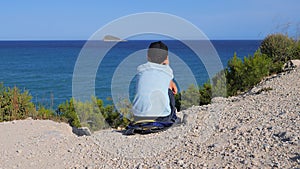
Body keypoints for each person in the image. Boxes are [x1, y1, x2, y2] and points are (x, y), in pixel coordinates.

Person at [132, 41, 180, 124]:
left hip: (138, 117)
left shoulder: (140, 69)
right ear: (166, 58)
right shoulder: (168, 71)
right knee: (169, 92)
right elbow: (167, 77)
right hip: (161, 118)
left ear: (148, 56)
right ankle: (173, 116)